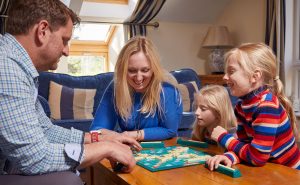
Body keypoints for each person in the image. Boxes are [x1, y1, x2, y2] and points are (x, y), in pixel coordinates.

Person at [0, 0, 141, 185]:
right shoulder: (6, 67)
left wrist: (97, 137)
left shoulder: (16, 65)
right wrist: (105, 147)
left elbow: (46, 131)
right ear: (42, 31)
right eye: (65, 40)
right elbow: (36, 158)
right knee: (69, 184)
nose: (67, 51)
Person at [206, 43, 300, 171]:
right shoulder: (241, 106)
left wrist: (224, 138)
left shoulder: (267, 106)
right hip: (269, 171)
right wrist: (230, 157)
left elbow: (257, 157)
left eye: (231, 71)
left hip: (290, 177)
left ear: (255, 76)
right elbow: (246, 146)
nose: (225, 77)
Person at [90, 36, 183, 141]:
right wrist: (119, 137)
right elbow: (95, 131)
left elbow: (170, 130)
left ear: (153, 69)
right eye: (132, 70)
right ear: (123, 69)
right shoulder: (116, 87)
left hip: (163, 150)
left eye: (145, 70)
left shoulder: (167, 89)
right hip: (127, 149)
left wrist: (130, 135)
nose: (139, 78)